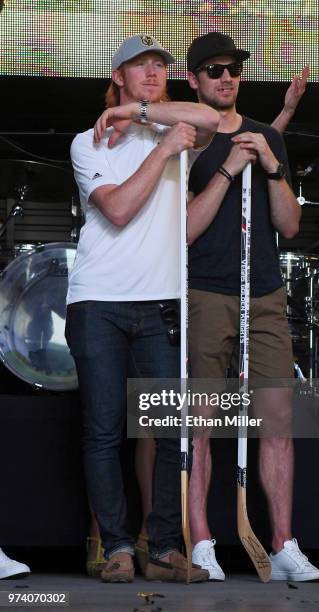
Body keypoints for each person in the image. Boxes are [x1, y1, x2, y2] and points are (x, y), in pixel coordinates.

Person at [66, 33, 220, 583]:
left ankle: (161, 548)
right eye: (139, 67)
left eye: (159, 66)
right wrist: (161, 147)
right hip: (99, 304)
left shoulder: (172, 125)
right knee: (105, 430)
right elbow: (122, 210)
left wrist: (142, 114)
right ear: (118, 76)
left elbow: (214, 116)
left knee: (172, 430)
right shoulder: (90, 144)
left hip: (155, 308)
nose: (153, 72)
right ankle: (116, 548)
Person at [183, 32, 319, 582]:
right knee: (199, 420)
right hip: (206, 291)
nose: (226, 77)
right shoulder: (186, 139)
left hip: (263, 293)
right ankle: (201, 544)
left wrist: (269, 163)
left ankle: (284, 545)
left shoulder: (267, 137)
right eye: (214, 70)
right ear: (194, 78)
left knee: (278, 419)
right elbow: (184, 229)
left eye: (234, 69)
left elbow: (289, 225)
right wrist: (228, 167)